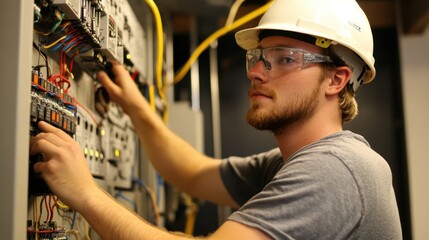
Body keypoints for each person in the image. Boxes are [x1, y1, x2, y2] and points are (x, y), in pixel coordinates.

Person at [30, 0, 403, 239]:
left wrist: (84, 193)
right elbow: (191, 173)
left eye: (285, 58)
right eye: (259, 57)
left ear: (337, 79)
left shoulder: (335, 169)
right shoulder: (289, 163)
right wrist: (137, 108)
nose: (256, 71)